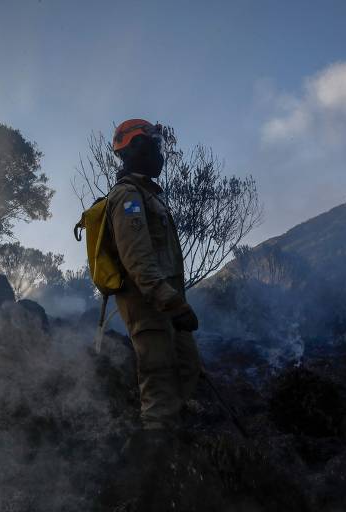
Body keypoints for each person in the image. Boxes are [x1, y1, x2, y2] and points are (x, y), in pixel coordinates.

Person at [106, 118, 202, 432]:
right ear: (135, 146)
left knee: (186, 369)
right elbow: (137, 259)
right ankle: (151, 464)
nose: (160, 155)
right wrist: (170, 302)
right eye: (154, 146)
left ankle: (174, 447)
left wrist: (174, 304)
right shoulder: (128, 197)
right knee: (158, 382)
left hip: (166, 305)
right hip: (149, 305)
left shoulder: (149, 197)